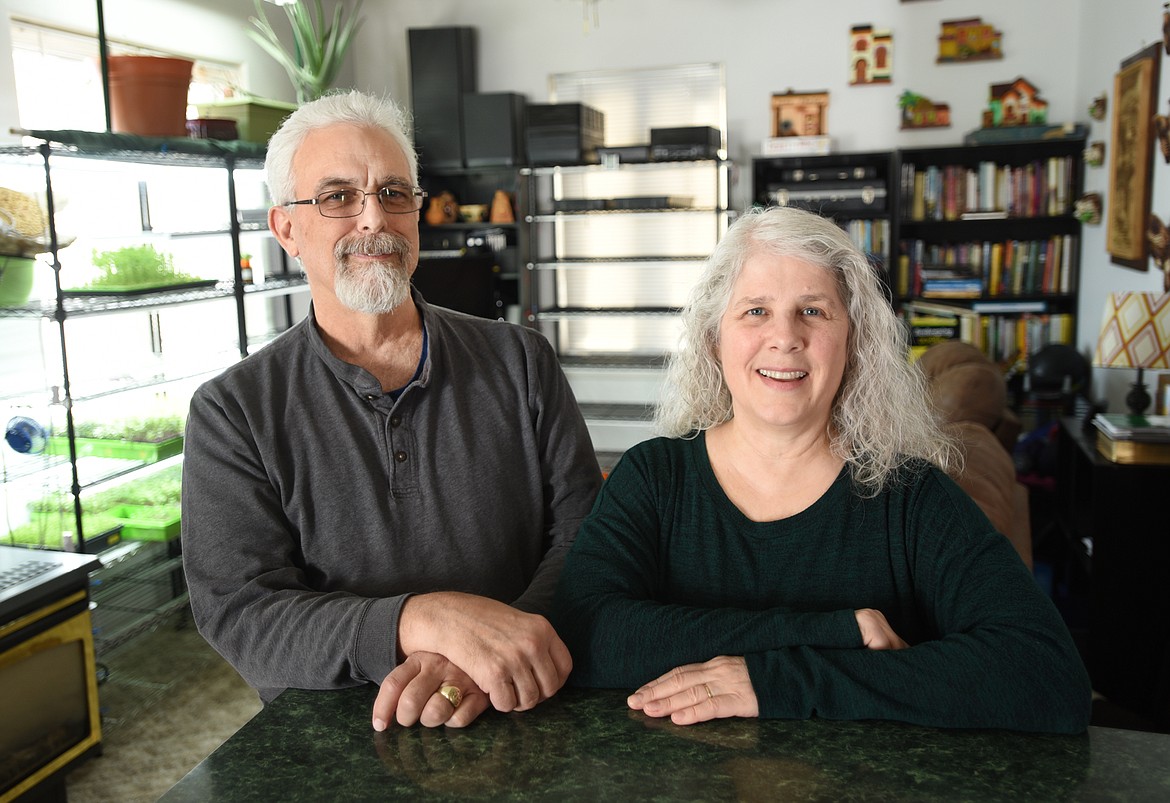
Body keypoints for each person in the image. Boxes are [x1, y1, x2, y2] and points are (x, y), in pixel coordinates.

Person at [551, 205, 1091, 733]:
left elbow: (1045, 674)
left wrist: (781, 680)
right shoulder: (653, 477)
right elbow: (585, 632)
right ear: (716, 340)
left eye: (813, 310)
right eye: (755, 310)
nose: (785, 336)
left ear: (854, 343)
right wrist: (836, 632)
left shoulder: (910, 496)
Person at [182, 90, 602, 730]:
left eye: (394, 193)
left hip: (524, 706)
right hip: (342, 732)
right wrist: (418, 619)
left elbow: (587, 533)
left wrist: (490, 655)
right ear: (286, 228)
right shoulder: (233, 412)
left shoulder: (521, 361)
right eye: (338, 197)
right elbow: (241, 610)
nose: (372, 218)